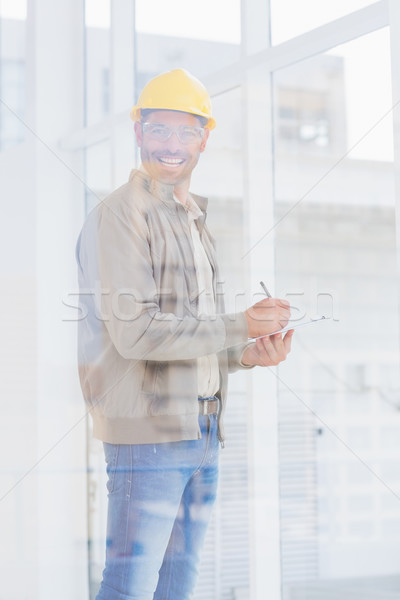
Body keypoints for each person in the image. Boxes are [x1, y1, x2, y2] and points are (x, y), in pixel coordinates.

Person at [76, 68, 293, 600]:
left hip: (203, 430)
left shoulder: (192, 218)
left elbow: (187, 337)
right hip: (146, 437)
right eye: (159, 130)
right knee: (128, 585)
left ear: (204, 138)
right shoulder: (121, 214)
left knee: (178, 585)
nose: (173, 145)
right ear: (139, 134)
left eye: (185, 132)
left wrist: (246, 356)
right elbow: (137, 334)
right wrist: (241, 322)